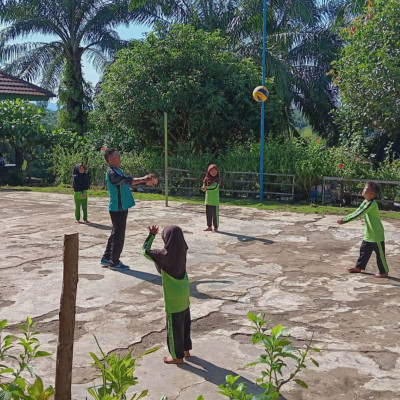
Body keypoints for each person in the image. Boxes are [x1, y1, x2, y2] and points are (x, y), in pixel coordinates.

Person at [142, 225, 192, 364]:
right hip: (184, 293)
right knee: (184, 324)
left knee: (174, 329)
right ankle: (186, 350)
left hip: (173, 298)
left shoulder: (163, 256)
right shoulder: (182, 250)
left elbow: (145, 251)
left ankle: (177, 357)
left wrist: (151, 235)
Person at [101, 148, 156, 270]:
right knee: (119, 235)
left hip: (120, 207)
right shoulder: (112, 173)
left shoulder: (117, 170)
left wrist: (144, 181)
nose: (119, 157)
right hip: (117, 207)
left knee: (115, 233)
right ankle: (114, 262)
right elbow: (126, 181)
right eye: (117, 156)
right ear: (111, 159)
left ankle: (107, 257)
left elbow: (128, 182)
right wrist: (143, 178)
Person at [337, 181, 389, 278]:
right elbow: (357, 211)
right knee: (364, 251)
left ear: (371, 193)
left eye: (366, 188)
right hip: (369, 233)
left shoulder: (372, 204)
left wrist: (344, 221)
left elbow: (359, 214)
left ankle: (384, 272)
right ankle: (359, 267)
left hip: (376, 234)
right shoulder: (366, 202)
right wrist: (344, 219)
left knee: (380, 255)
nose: (363, 190)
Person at [201, 164, 221, 232]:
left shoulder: (217, 180)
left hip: (214, 201)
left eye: (215, 171)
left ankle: (216, 227)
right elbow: (204, 185)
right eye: (212, 171)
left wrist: (206, 188)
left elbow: (214, 188)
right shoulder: (206, 179)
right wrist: (203, 188)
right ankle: (209, 226)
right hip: (208, 200)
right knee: (208, 214)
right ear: (209, 171)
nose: (213, 172)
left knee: (215, 215)